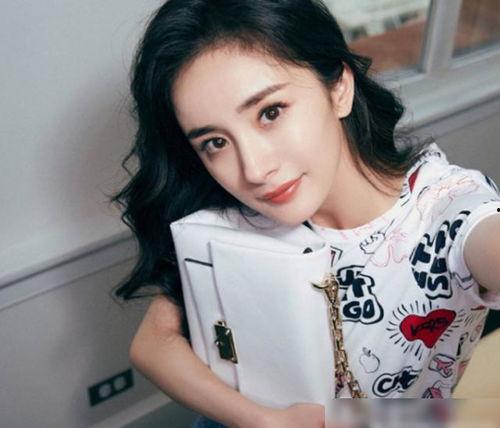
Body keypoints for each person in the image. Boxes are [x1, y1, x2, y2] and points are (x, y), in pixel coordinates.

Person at [109, 0, 500, 426]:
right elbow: (151, 344)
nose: (254, 170)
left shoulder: (447, 211)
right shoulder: (234, 214)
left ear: (340, 89)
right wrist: (260, 420)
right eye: (215, 143)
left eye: (270, 112)